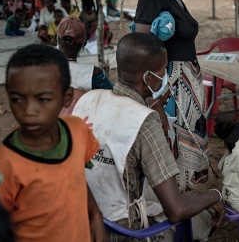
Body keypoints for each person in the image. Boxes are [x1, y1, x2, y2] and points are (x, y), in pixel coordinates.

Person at [73, 32, 224, 242]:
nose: (164, 79)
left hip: (78, 220)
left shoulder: (88, 99)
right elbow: (176, 210)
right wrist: (216, 195)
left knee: (153, 195)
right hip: (119, 232)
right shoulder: (142, 121)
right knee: (198, 220)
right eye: (162, 73)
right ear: (148, 78)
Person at [0, 44, 106, 242]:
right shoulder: (4, 164)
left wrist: (95, 216)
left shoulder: (77, 130)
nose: (29, 111)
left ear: (66, 98)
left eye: (42, 99)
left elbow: (76, 175)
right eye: (18, 99)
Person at [133, 0, 220, 192]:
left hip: (185, 82)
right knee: (174, 144)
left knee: (185, 144)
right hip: (171, 86)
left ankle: (184, 200)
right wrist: (156, 99)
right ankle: (174, 205)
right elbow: (141, 46)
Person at [57, 16, 113, 116]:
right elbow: (113, 95)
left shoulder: (43, 68)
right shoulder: (93, 73)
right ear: (84, 44)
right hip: (83, 125)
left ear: (57, 38)